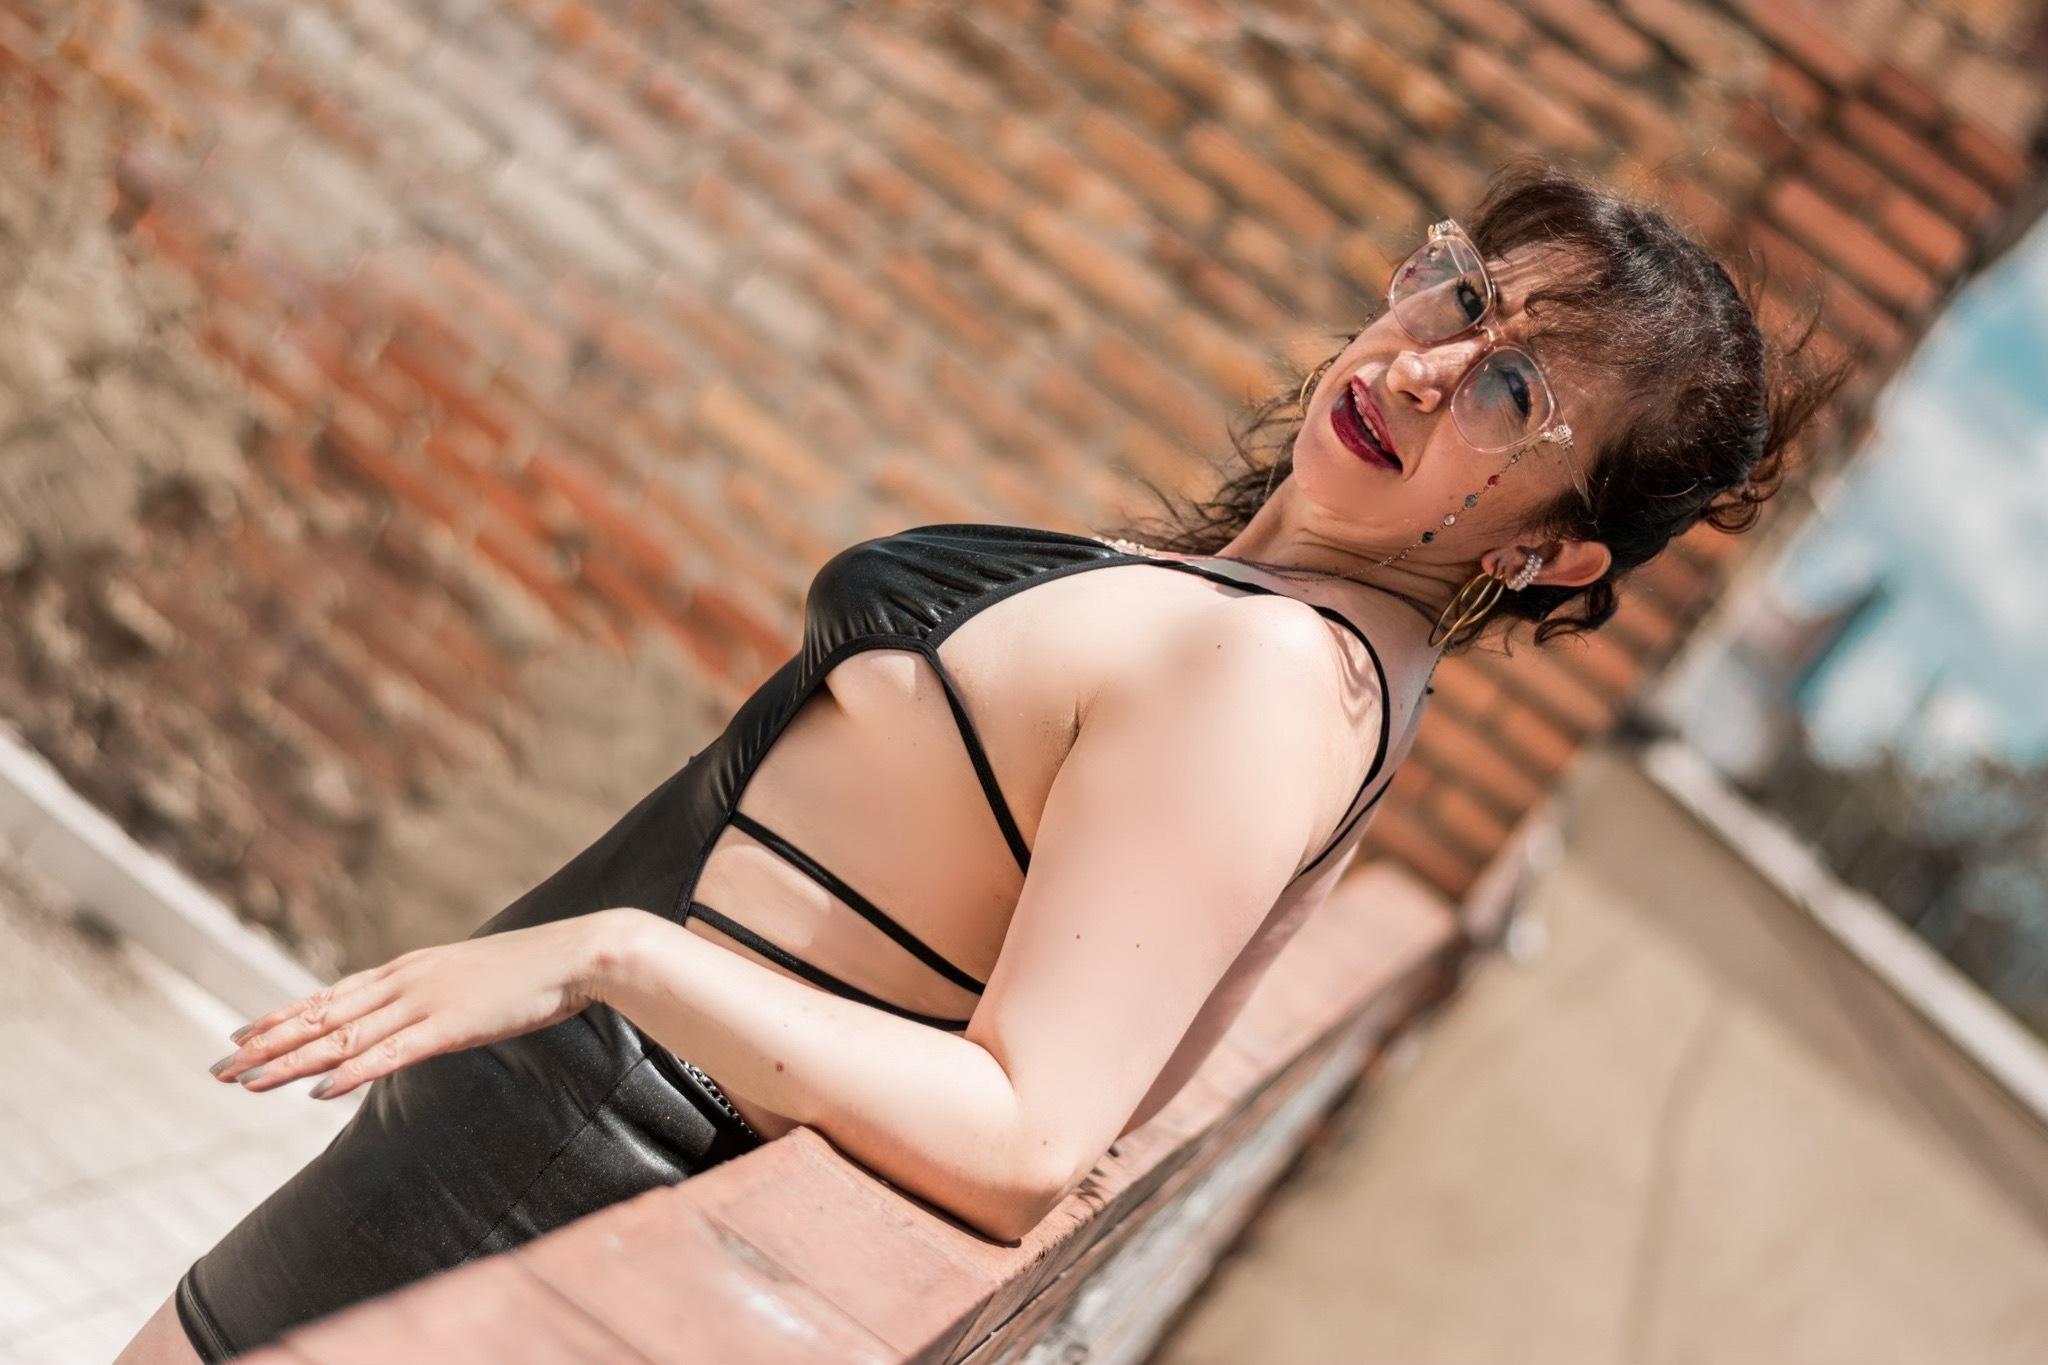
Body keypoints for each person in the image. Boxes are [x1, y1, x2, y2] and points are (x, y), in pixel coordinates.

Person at [118, 158, 1838, 1363]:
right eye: (1460, 293)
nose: (1425, 364)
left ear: (1550, 553)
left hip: (568, 1161)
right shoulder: (1323, 650)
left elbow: (1033, 1132)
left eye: (1516, 393)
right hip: (547, 1147)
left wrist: (609, 957)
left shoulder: (1265, 676)